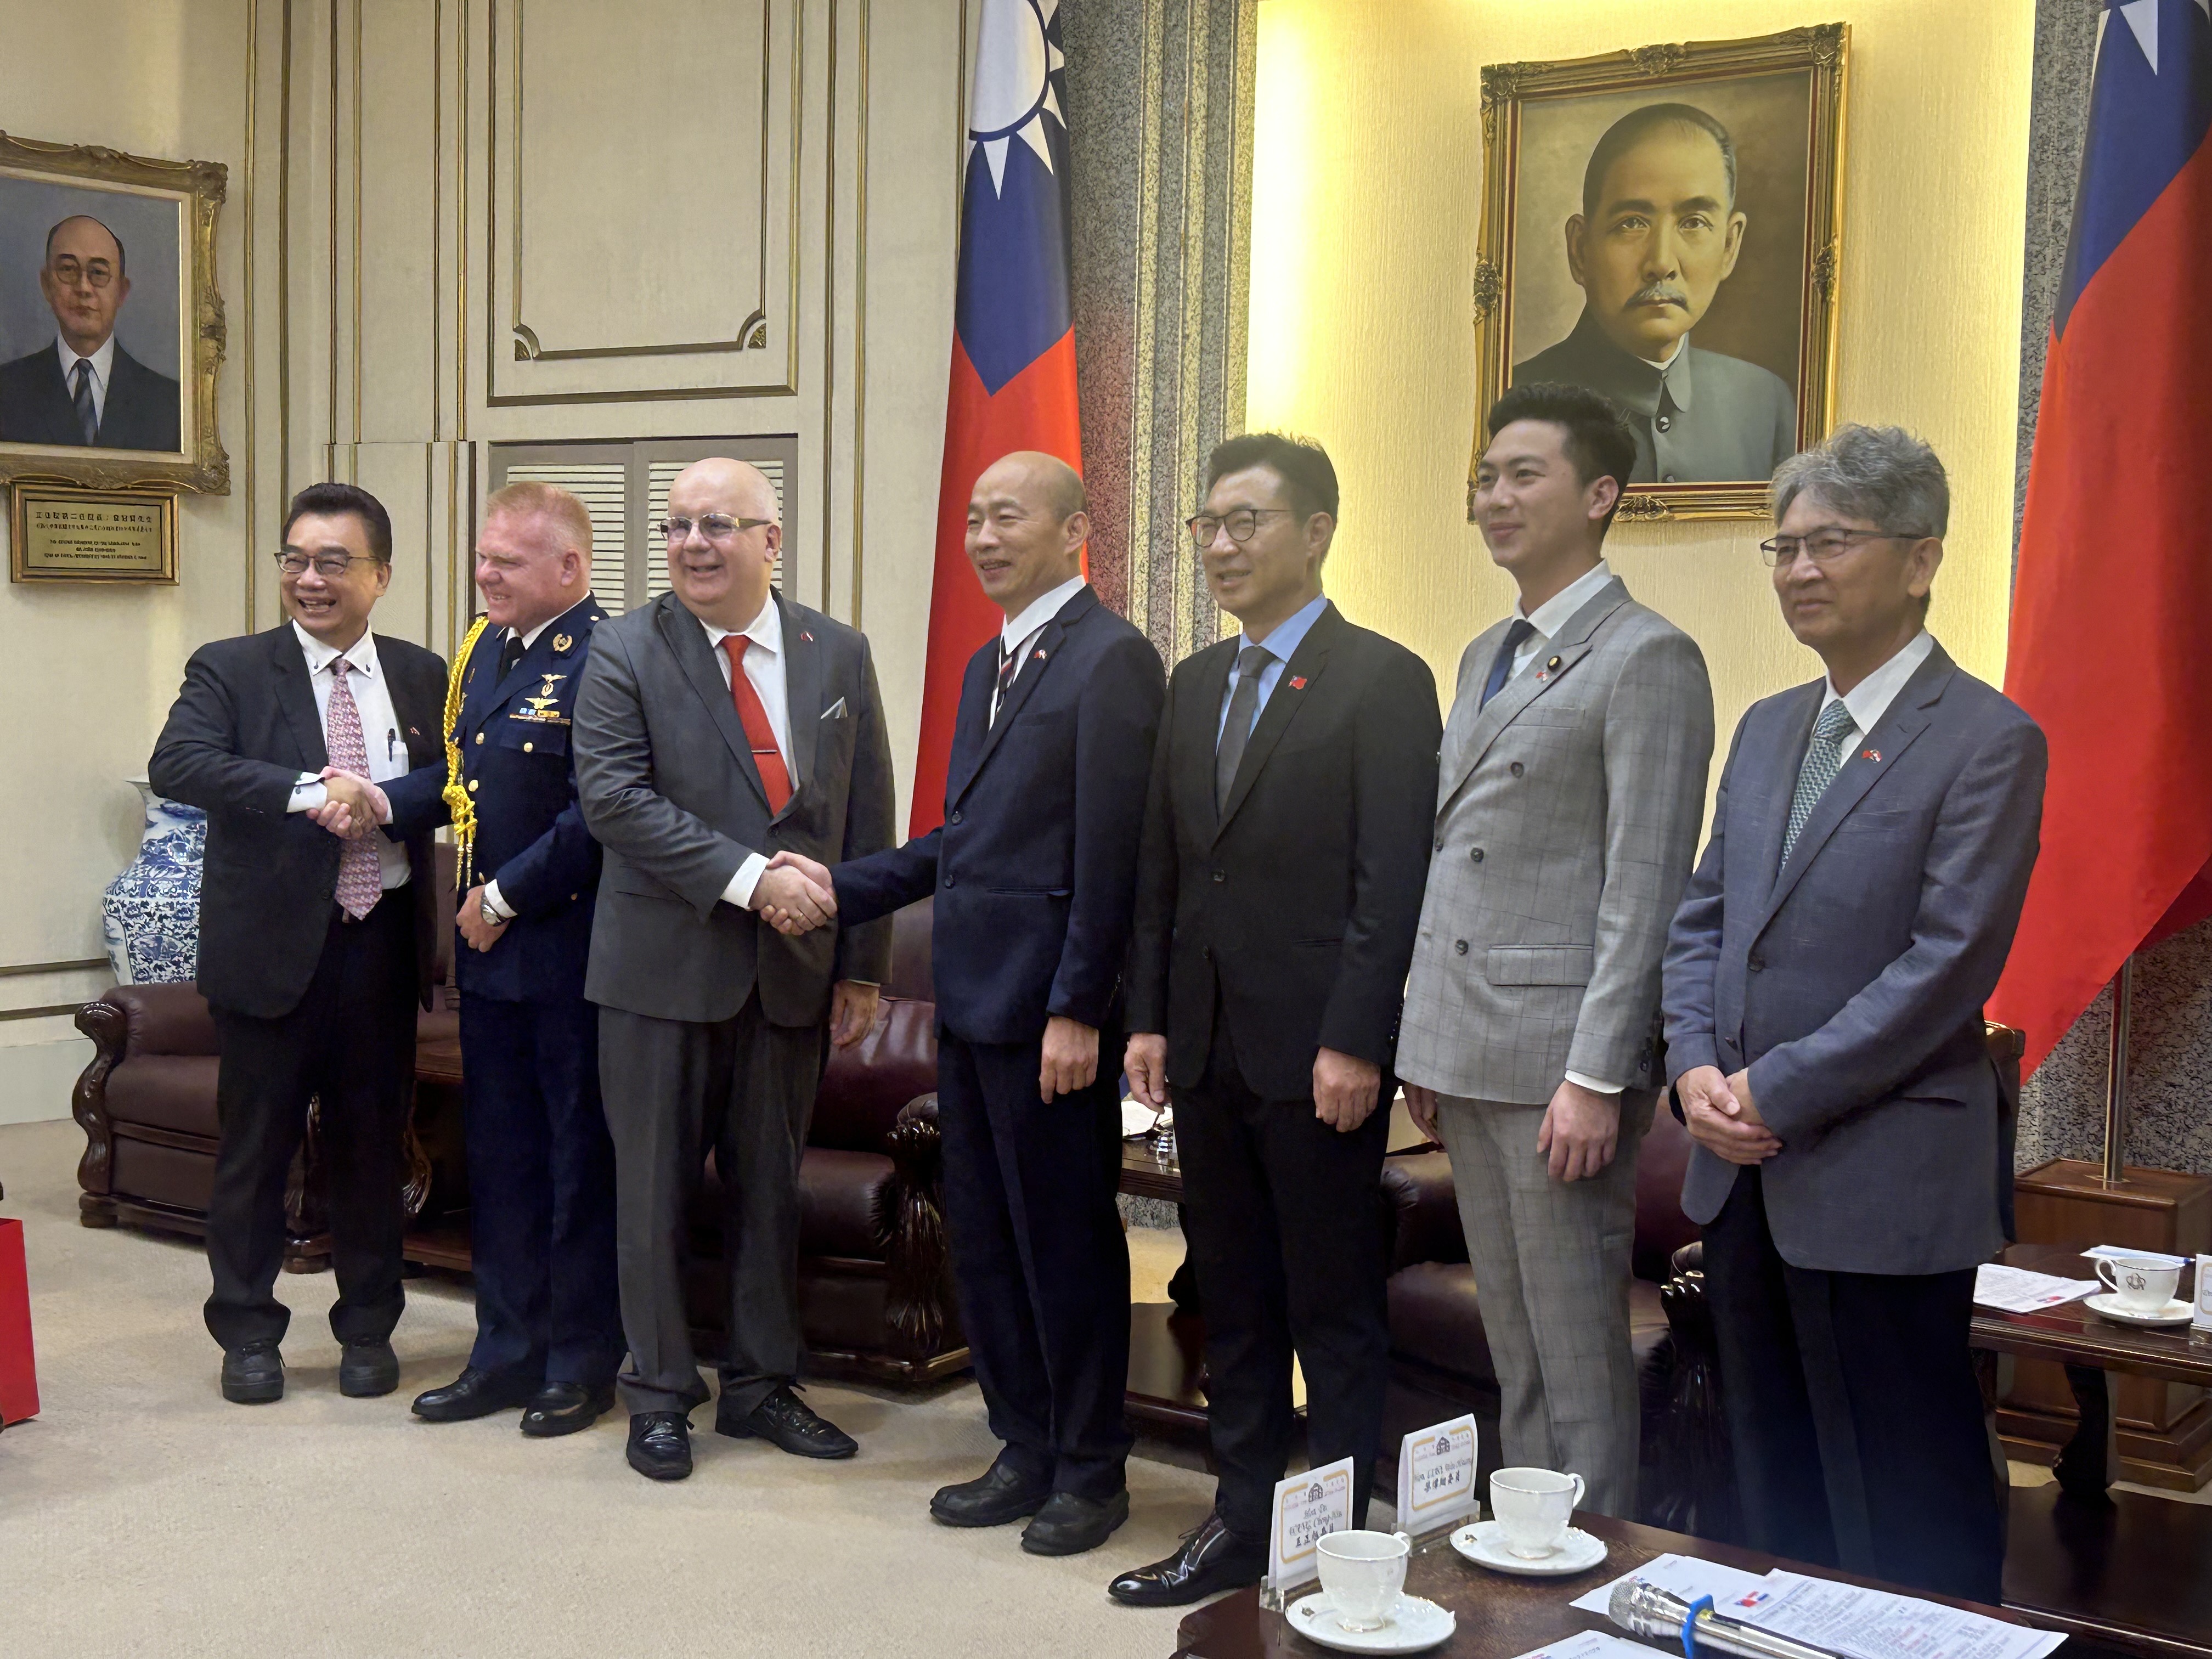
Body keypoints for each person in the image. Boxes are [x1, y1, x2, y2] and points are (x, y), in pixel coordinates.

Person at [1661, 425, 2046, 1602]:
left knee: (1904, 1489)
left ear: (1922, 559)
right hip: (1740, 1175)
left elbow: (1946, 969)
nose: (1798, 571)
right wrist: (1690, 1072)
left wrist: (1771, 1091)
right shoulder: (1773, 726)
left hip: (1880, 1181)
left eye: (1832, 543)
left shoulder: (1987, 740)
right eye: (1784, 546)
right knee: (1765, 1481)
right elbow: (1703, 920)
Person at [772, 453, 1164, 1556]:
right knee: (985, 1246)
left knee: (1064, 1246)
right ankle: (1024, 1444)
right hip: (971, 1003)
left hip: (1050, 1017)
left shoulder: (1113, 661)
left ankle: (1092, 1470)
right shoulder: (990, 662)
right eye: (974, 519)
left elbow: (1111, 855)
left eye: (1009, 516)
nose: (984, 537)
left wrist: (1081, 1007)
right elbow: (966, 844)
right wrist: (841, 887)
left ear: (1077, 527)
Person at [1107, 433, 1440, 1607]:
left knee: (1331, 1310)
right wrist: (1145, 1016)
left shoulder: (1383, 678)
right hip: (1201, 1046)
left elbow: (1390, 880)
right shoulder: (1195, 683)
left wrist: (1359, 1037)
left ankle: (1338, 1548)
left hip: (1320, 1058)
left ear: (1315, 532)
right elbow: (1165, 869)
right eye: (1207, 525)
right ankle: (1239, 1521)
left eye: (1246, 521)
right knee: (1232, 1296)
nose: (1221, 546)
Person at [1399, 383, 1713, 1517]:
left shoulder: (1648, 657)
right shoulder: (1490, 648)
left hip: (1560, 1065)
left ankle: (1594, 1578)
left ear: (1599, 494)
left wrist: (1597, 1074)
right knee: (1515, 1343)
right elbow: (1460, 859)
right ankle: (1527, 1559)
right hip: (1470, 1044)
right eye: (1486, 476)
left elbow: (1644, 890)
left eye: (1523, 474)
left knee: (1578, 1353)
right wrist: (1422, 1040)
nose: (1495, 497)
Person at [573, 457, 896, 1482]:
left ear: (773, 537)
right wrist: (756, 881)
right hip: (659, 972)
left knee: (769, 1189)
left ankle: (760, 1384)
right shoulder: (625, 648)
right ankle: (661, 1392)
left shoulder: (835, 650)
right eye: (676, 526)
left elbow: (867, 809)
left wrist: (862, 963)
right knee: (653, 1192)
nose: (694, 544)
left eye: (719, 523)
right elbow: (615, 800)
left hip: (794, 975)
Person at [147, 483, 446, 1404]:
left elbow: (458, 774)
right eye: (294, 559)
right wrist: (306, 788)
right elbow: (181, 762)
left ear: (381, 574)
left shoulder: (424, 671)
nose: (308, 579)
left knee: (370, 1149)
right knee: (256, 1151)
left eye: (332, 562)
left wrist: (390, 798)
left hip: (381, 946)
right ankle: (247, 1330)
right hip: (272, 950)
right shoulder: (232, 668)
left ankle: (367, 1329)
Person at [373, 482, 623, 1437]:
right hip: (488, 961)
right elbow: (466, 776)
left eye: (507, 562)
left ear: (568, 566)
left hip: (569, 951)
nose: (485, 574)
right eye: (482, 557)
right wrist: (382, 800)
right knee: (503, 1158)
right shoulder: (484, 650)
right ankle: (503, 1350)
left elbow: (599, 807)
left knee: (576, 1159)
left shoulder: (608, 654)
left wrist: (509, 895)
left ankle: (579, 1359)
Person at [1513, 104, 1794, 484]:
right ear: (1581, 249)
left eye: (1693, 223)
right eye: (1632, 224)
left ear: (1729, 246)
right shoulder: (1515, 401)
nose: (1661, 263)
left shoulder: (1765, 402)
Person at [0, 215, 182, 450]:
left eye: (98, 272)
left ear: (122, 292)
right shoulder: (7, 389)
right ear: (46, 284)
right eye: (68, 269)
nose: (84, 288)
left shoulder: (170, 404)